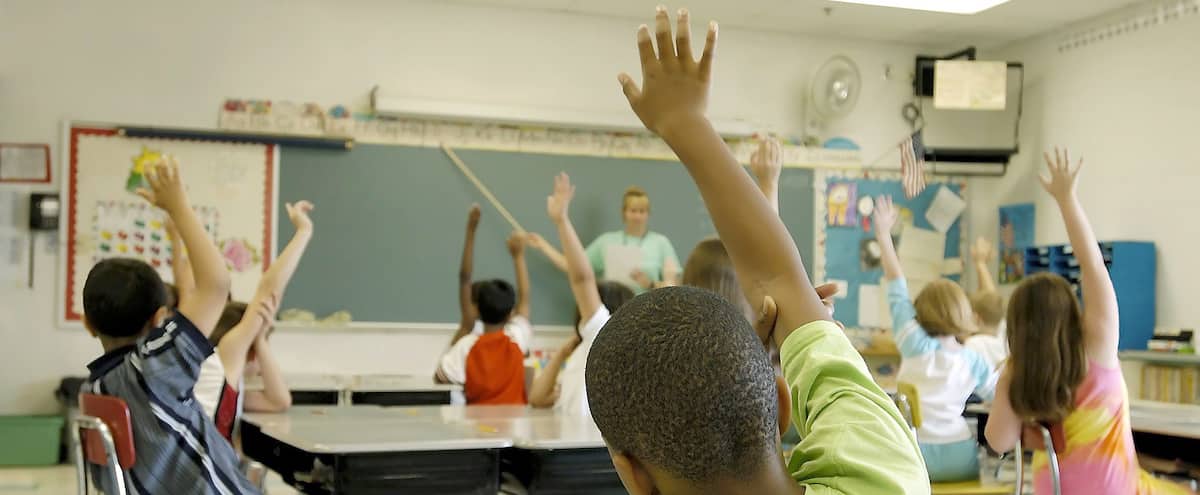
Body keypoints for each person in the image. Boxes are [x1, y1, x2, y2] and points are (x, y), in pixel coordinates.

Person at [585, 7, 930, 494]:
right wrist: (685, 123)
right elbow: (778, 279)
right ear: (782, 404)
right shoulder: (882, 469)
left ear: (633, 477)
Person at [984, 149, 1191, 495]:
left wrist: (1011, 372)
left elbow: (998, 440)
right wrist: (1067, 199)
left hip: (1054, 488)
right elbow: (1093, 263)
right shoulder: (1097, 344)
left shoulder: (1019, 371)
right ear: (1070, 309)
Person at [81, 157, 259, 494]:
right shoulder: (154, 368)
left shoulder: (93, 390)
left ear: (87, 323)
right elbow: (216, 286)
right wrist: (179, 207)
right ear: (159, 319)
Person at [873, 195, 996, 482]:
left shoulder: (913, 343)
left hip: (916, 453)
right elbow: (998, 398)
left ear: (920, 313)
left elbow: (896, 285)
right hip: (960, 456)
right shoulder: (973, 360)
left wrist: (883, 234)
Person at [527, 173, 635, 418]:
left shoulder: (604, 334)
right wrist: (561, 356)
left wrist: (562, 221)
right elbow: (538, 398)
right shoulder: (583, 350)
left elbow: (582, 278)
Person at [434, 206, 532, 405]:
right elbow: (525, 298)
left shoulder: (466, 345)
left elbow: (440, 378)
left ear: (476, 308)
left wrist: (471, 230)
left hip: (478, 430)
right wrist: (518, 256)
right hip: (514, 428)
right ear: (509, 314)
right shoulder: (517, 338)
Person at [528, 186, 680, 293]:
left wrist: (650, 284)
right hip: (614, 314)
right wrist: (543, 245)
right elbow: (574, 266)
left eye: (642, 211)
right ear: (624, 212)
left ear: (648, 214)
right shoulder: (607, 242)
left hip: (650, 314)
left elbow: (674, 288)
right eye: (633, 211)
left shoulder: (661, 243)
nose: (637, 216)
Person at [965, 236, 1008, 370]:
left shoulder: (973, 344)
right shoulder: (1004, 336)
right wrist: (980, 263)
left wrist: (980, 262)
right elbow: (991, 298)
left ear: (976, 319)